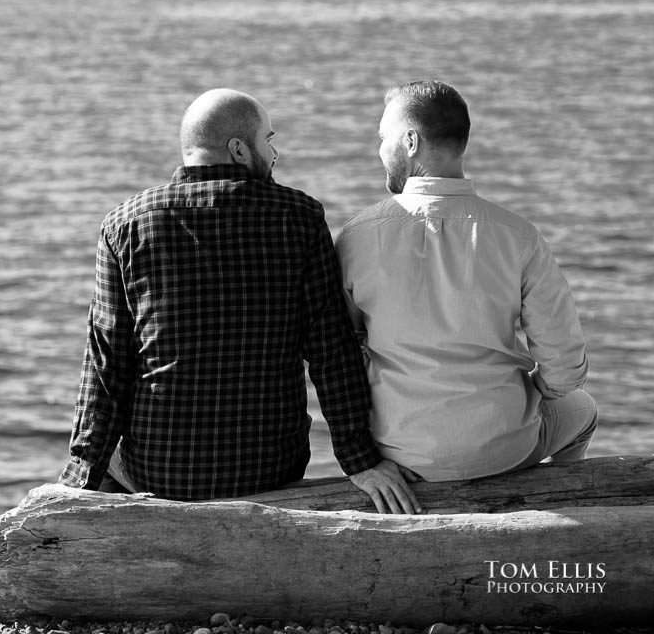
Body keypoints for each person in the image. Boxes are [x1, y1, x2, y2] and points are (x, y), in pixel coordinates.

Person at [59, 88, 420, 514]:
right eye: (268, 140)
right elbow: (331, 353)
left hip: (163, 470)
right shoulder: (300, 217)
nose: (273, 152)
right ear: (238, 150)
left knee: (110, 461)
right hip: (269, 467)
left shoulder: (125, 225)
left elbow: (106, 365)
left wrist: (78, 478)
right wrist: (360, 462)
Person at [335, 79, 597, 482]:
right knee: (584, 409)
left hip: (399, 451)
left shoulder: (355, 237)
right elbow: (564, 370)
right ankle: (556, 496)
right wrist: (524, 394)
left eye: (383, 137)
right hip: (502, 447)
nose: (379, 150)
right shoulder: (518, 235)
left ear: (409, 141)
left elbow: (341, 351)